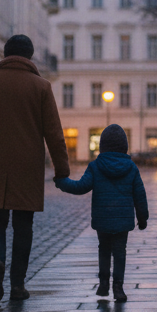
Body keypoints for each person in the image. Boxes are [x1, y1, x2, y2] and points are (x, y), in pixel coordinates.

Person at [0, 35, 70, 302]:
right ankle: (17, 285)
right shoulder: (41, 87)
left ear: (5, 54)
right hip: (27, 169)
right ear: (30, 56)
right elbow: (54, 133)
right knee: (24, 226)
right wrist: (62, 170)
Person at [54, 124, 149, 302]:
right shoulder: (131, 167)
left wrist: (62, 182)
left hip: (102, 219)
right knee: (120, 252)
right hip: (123, 221)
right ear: (124, 146)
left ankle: (103, 284)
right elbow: (140, 195)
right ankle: (118, 288)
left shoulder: (95, 166)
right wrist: (142, 218)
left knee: (104, 250)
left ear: (102, 146)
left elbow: (80, 187)